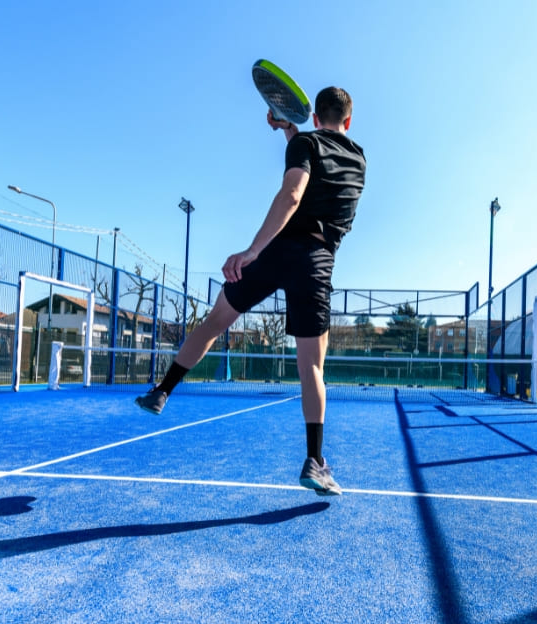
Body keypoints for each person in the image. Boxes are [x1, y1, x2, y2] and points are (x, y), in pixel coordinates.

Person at [136, 86, 366, 496]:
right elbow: (317, 157)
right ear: (347, 120)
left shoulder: (306, 144)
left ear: (316, 117)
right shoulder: (359, 159)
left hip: (276, 250)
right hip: (315, 262)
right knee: (312, 368)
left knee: (214, 323)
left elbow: (293, 193)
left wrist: (253, 250)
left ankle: (162, 391)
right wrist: (288, 130)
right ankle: (315, 462)